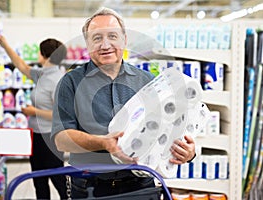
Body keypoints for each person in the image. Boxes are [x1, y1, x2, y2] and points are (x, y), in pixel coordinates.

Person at [51, 7, 196, 199]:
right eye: (96, 38)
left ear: (124, 40)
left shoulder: (149, 81)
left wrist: (188, 152)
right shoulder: (70, 83)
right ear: (87, 44)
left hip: (140, 185)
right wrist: (103, 143)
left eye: (112, 36)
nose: (105, 45)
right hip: (90, 187)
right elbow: (61, 139)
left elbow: (170, 128)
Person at [0, 35, 68, 200]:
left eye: (39, 52)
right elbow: (21, 65)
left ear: (45, 55)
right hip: (35, 136)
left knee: (58, 180)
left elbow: (60, 114)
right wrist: (5, 44)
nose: (37, 55)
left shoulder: (58, 80)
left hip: (50, 138)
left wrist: (33, 111)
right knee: (38, 180)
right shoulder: (42, 74)